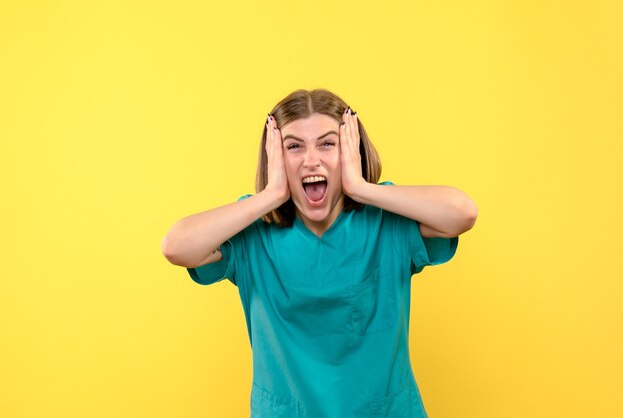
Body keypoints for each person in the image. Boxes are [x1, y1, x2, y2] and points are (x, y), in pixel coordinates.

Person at [161, 88, 477, 417]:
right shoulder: (253, 233)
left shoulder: (385, 222)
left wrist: (362, 188)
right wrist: (271, 195)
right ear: (276, 158)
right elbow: (176, 246)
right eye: (293, 146)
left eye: (328, 143)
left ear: (351, 151)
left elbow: (462, 213)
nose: (311, 160)